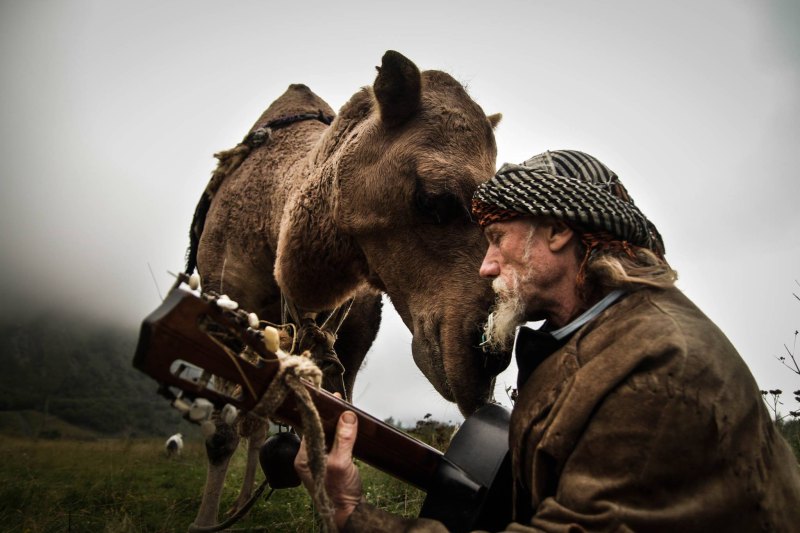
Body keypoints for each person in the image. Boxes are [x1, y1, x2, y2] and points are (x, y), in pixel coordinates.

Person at [295, 150, 800, 531]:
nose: (485, 265)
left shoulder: (658, 370)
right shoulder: (580, 339)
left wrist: (352, 513)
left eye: (496, 239)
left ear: (558, 231)